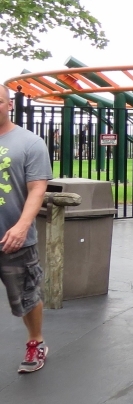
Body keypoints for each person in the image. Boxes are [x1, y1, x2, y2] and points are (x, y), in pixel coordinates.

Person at [0, 85, 53, 373]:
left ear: (9, 105)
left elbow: (37, 189)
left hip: (14, 239)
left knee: (26, 297)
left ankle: (36, 342)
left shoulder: (30, 143)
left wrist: (22, 226)